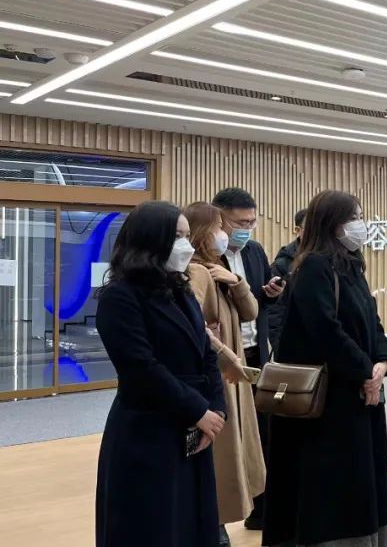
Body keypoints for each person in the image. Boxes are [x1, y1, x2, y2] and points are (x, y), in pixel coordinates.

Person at [262, 190, 387, 547]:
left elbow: (372, 321)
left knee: (361, 482)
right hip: (329, 401)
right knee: (333, 489)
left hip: (357, 394)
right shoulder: (314, 266)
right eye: (354, 218)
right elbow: (326, 331)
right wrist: (365, 372)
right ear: (332, 224)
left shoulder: (351, 265)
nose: (361, 225)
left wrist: (383, 362)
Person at [95, 201, 226, 546]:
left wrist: (216, 409)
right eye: (177, 236)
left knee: (191, 523)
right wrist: (198, 410)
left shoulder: (181, 290)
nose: (186, 245)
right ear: (151, 241)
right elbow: (141, 367)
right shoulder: (119, 297)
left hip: (194, 426)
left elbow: (206, 353)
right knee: (151, 526)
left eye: (187, 235)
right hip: (148, 428)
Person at [184, 202, 267, 546]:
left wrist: (236, 281)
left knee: (234, 459)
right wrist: (225, 354)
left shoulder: (219, 268)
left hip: (232, 378)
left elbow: (252, 311)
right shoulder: (195, 272)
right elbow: (192, 327)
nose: (225, 234)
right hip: (217, 379)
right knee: (218, 463)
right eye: (220, 227)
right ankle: (214, 530)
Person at [211, 187, 284, 530]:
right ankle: (221, 514)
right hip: (225, 357)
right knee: (227, 436)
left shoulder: (254, 251)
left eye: (252, 222)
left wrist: (272, 294)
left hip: (255, 352)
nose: (247, 229)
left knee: (261, 434)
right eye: (240, 223)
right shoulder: (208, 255)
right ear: (219, 218)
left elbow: (257, 302)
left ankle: (261, 510)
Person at [268, 208, 306, 349]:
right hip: (296, 346)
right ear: (298, 230)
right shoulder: (283, 265)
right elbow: (275, 311)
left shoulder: (332, 259)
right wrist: (280, 347)